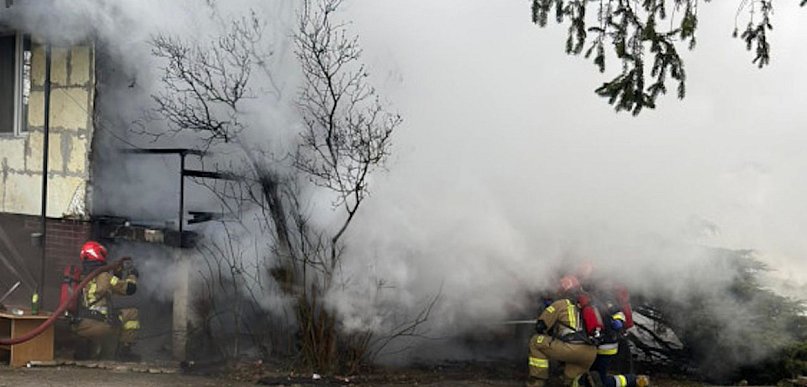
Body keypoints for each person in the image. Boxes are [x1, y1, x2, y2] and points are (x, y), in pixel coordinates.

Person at [71, 241, 140, 361]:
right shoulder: (104, 276)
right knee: (132, 313)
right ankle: (125, 352)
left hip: (78, 325)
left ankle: (85, 351)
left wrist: (117, 272)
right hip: (98, 324)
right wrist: (132, 275)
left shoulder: (80, 276)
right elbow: (129, 289)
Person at [527, 276, 600, 387]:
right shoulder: (590, 306)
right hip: (590, 353)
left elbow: (541, 326)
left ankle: (537, 382)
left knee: (536, 341)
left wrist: (548, 313)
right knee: (571, 381)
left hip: (570, 349)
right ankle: (571, 382)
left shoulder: (560, 304)